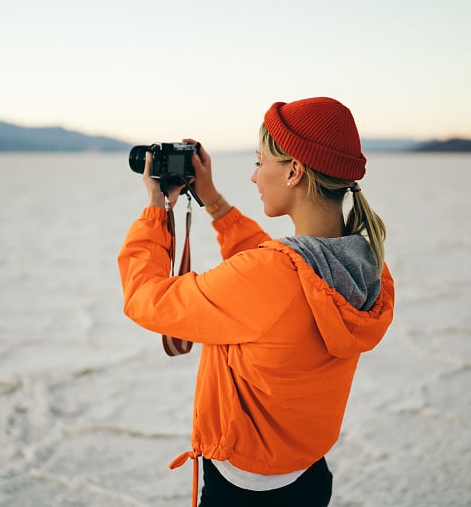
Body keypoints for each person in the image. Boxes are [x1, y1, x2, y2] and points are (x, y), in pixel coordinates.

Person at [118, 97, 395, 507]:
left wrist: (156, 208)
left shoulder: (272, 276)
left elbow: (147, 298)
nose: (253, 176)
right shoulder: (364, 266)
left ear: (295, 171)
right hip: (308, 478)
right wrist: (212, 200)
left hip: (242, 491)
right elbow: (281, 265)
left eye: (260, 161)